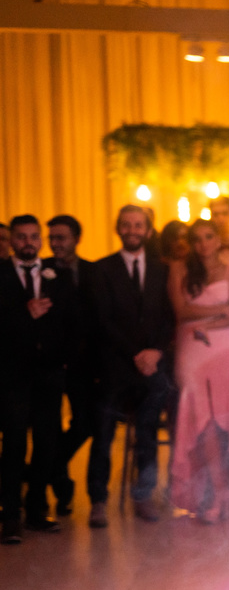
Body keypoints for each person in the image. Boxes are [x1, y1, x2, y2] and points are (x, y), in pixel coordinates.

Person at [89, 204, 174, 526]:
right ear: (118, 229)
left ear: (148, 231)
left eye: (139, 225)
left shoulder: (161, 270)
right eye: (127, 225)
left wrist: (155, 353)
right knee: (103, 433)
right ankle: (98, 500)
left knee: (148, 432)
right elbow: (103, 320)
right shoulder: (101, 269)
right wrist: (135, 354)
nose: (133, 230)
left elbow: (168, 318)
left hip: (152, 367)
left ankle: (144, 496)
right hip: (115, 366)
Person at [0, 215, 77, 544]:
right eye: (21, 237)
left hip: (49, 371)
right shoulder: (1, 274)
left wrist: (63, 362)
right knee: (15, 442)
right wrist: (24, 314)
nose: (28, 242)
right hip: (12, 372)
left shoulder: (57, 274)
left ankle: (36, 511)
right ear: (12, 241)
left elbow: (70, 319)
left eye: (34, 237)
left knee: (47, 441)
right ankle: (11, 517)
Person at [167, 219, 229, 524]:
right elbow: (182, 311)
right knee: (204, 423)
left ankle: (226, 493)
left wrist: (210, 323)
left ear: (219, 240)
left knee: (225, 420)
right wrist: (219, 312)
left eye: (208, 237)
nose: (203, 243)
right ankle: (216, 492)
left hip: (225, 349)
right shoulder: (180, 269)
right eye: (197, 238)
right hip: (191, 349)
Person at [46, 214, 97, 515]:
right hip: (50, 363)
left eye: (62, 238)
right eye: (52, 238)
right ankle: (61, 489)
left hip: (83, 363)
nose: (56, 244)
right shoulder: (42, 270)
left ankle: (53, 464)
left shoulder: (93, 271)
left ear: (77, 239)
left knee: (85, 422)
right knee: (50, 426)